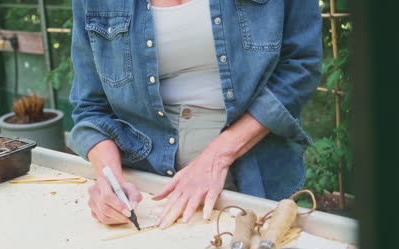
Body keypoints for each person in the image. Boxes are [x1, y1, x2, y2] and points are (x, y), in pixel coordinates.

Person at [67, 0, 322, 229]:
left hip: (256, 176)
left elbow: (300, 67)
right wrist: (109, 181)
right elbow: (91, 105)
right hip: (147, 195)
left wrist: (215, 158)